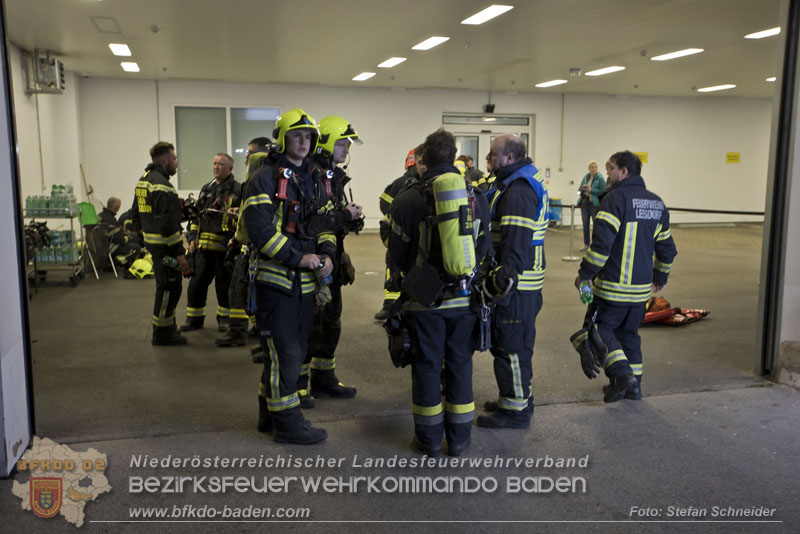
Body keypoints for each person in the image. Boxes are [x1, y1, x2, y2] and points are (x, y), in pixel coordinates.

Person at [388, 128, 491, 457]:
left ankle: (429, 440)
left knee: (428, 367)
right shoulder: (476, 198)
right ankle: (459, 440)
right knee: (460, 365)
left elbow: (396, 256)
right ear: (453, 158)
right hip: (465, 300)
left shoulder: (406, 200)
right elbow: (484, 248)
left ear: (424, 160)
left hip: (424, 303)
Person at [244, 108, 335, 445]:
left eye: (308, 136)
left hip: (305, 283)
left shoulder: (313, 176)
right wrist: (300, 257)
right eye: (297, 135)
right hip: (276, 281)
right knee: (286, 353)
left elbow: (324, 222)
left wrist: (327, 255)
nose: (304, 141)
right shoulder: (263, 178)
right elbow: (260, 230)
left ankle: (269, 415)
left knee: (287, 352)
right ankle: (288, 424)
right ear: (282, 138)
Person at [574, 151, 677, 402]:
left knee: (598, 329)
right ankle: (633, 387)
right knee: (628, 336)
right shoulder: (656, 203)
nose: (607, 173)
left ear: (624, 171)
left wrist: (584, 275)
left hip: (611, 287)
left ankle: (622, 375)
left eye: (611, 168)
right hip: (640, 291)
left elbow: (601, 246)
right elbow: (667, 248)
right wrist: (660, 277)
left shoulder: (614, 199)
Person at [478, 134, 549, 430]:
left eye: (493, 155)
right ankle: (515, 396)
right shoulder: (512, 183)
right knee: (513, 344)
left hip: (516, 286)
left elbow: (516, 243)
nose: (488, 159)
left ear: (509, 158)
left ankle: (515, 410)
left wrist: (500, 282)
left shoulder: (518, 190)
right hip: (522, 284)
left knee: (512, 346)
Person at [298, 116, 363, 404]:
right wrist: (342, 217)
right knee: (311, 324)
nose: (346, 148)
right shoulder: (312, 175)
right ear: (324, 142)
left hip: (331, 259)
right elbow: (313, 224)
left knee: (331, 321)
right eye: (341, 142)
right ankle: (298, 385)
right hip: (313, 262)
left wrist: (349, 221)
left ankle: (323, 378)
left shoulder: (332, 177)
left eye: (348, 143)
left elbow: (329, 220)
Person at [216, 137, 272, 349]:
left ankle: (239, 333)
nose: (247, 157)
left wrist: (239, 239)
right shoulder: (263, 179)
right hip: (253, 245)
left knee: (239, 289)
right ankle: (260, 335)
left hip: (255, 247)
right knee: (247, 290)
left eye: (251, 152)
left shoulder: (257, 179)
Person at [131, 141, 189, 345]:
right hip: (166, 249)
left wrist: (145, 238)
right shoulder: (163, 186)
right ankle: (162, 334)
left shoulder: (143, 181)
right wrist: (180, 253)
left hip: (155, 248)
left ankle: (168, 327)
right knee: (168, 288)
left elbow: (135, 215)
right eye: (174, 158)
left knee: (168, 286)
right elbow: (168, 224)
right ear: (164, 159)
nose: (176, 163)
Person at [181, 153, 242, 332]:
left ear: (230, 168)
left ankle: (224, 319)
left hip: (225, 248)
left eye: (221, 164)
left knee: (224, 286)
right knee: (196, 284)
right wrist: (191, 239)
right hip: (203, 248)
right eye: (215, 163)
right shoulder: (206, 188)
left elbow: (243, 219)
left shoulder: (238, 190)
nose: (216, 167)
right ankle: (194, 319)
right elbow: (195, 217)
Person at [374, 145, 425, 321]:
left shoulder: (399, 182)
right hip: (417, 237)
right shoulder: (414, 184)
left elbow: (383, 201)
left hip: (398, 234)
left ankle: (390, 305)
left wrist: (393, 214)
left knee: (394, 264)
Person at [99, 196, 141, 272]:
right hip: (110, 248)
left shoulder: (100, 216)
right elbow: (119, 239)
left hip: (100, 248)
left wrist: (122, 232)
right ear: (116, 207)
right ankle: (116, 262)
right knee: (136, 246)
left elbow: (112, 232)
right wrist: (128, 237)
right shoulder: (111, 220)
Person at [578, 161, 606, 250]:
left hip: (594, 204)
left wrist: (591, 190)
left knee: (596, 225)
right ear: (589, 168)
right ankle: (586, 244)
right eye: (592, 167)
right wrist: (582, 189)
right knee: (585, 225)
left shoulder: (600, 178)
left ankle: (595, 245)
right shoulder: (586, 177)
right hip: (585, 203)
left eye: (595, 167)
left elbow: (603, 191)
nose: (594, 169)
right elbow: (579, 189)